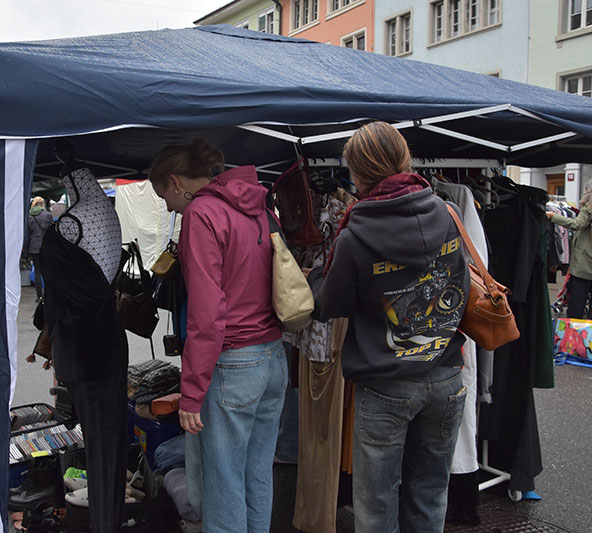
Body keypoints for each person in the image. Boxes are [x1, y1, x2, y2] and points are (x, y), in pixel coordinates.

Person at [305, 122, 468, 532]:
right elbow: (461, 287)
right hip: (446, 373)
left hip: (387, 382)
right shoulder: (448, 213)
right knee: (429, 497)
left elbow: (328, 305)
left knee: (377, 507)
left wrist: (313, 276)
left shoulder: (355, 234)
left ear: (358, 174)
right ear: (404, 159)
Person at [148, 139, 286, 533]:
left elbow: (207, 315)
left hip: (233, 362)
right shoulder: (258, 205)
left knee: (222, 481)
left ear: (176, 182)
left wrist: (191, 392)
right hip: (273, 356)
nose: (169, 207)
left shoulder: (203, 213)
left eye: (165, 196)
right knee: (257, 474)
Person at [546, 177, 592, 320]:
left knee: (577, 302)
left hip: (584, 261)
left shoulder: (591, 207)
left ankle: (573, 333)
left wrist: (554, 217)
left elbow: (577, 224)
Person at [24, 196, 53, 302]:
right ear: (42, 204)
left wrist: (26, 252)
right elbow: (51, 232)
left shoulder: (29, 217)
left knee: (37, 270)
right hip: (46, 247)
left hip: (33, 247)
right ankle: (48, 293)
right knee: (47, 270)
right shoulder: (48, 215)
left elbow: (27, 236)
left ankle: (39, 295)